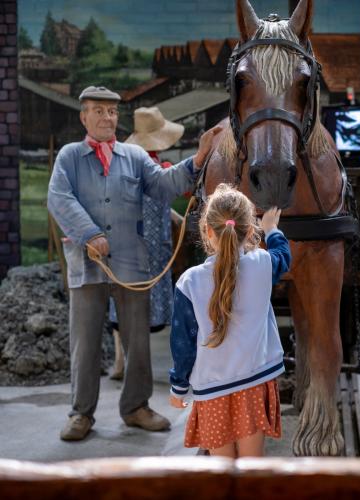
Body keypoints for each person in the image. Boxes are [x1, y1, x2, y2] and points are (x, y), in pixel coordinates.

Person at [47, 85, 220, 441]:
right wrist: (89, 234)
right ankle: (81, 413)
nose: (107, 117)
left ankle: (136, 407)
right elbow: (58, 198)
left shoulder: (135, 156)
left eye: (112, 112)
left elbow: (163, 184)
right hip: (87, 261)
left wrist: (198, 159)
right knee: (86, 341)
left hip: (131, 263)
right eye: (98, 111)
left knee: (138, 340)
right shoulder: (69, 157)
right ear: (84, 116)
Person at [168, 184, 291, 457]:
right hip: (254, 384)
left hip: (212, 390)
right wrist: (271, 229)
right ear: (249, 232)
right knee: (250, 470)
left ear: (207, 232)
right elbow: (284, 256)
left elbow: (182, 343)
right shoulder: (262, 264)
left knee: (222, 474)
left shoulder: (189, 282)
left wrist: (179, 387)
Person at [108, 107, 186, 380]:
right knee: (155, 306)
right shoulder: (160, 168)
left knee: (124, 301)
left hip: (130, 248)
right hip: (152, 250)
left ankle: (121, 361)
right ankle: (168, 365)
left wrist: (175, 216)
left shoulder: (126, 166)